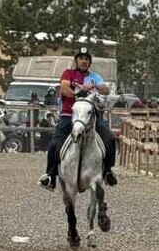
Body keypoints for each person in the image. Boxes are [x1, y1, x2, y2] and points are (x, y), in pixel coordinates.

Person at [39, 48, 117, 190]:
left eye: (86, 59)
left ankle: (107, 172)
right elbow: (64, 88)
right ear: (76, 60)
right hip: (69, 114)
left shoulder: (94, 76)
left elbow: (105, 90)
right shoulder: (68, 73)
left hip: (90, 117)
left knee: (110, 139)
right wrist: (80, 94)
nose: (84, 61)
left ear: (89, 62)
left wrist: (93, 85)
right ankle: (50, 175)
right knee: (55, 142)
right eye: (81, 58)